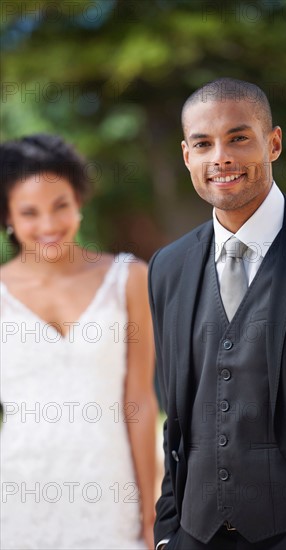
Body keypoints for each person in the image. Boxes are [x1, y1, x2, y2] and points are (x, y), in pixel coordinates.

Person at [148, 78, 286, 550]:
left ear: (273, 142)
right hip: (196, 533)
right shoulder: (167, 267)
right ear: (188, 156)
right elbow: (177, 419)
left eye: (238, 137)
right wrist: (168, 532)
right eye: (204, 144)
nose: (221, 157)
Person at [0, 134, 157, 549]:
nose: (49, 225)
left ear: (79, 203)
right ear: (8, 218)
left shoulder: (128, 278)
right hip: (17, 493)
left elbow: (139, 401)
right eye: (30, 212)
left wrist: (150, 509)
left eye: (60, 205)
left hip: (111, 492)